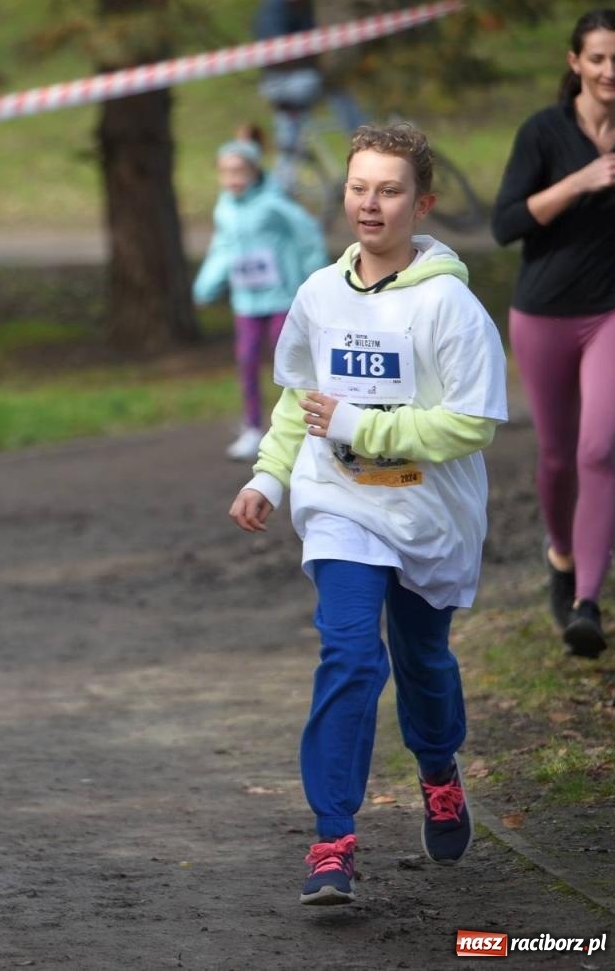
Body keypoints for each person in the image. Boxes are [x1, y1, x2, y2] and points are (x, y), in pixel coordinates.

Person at [229, 124, 507, 906]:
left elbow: (473, 422)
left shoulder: (450, 305)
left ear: (423, 202)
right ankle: (333, 838)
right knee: (351, 656)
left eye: (388, 190)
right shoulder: (319, 294)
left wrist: (363, 427)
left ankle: (439, 770)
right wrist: (271, 478)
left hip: (428, 512)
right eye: (358, 187)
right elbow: (297, 398)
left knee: (423, 663)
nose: (370, 204)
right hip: (341, 505)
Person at [492, 8, 615, 660]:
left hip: (612, 313)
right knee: (557, 456)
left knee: (600, 448)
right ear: (575, 62)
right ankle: (561, 555)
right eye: (597, 58)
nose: (609, 70)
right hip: (542, 311)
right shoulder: (543, 132)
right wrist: (582, 181)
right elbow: (505, 224)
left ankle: (587, 603)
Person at [192, 129, 327, 461]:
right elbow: (222, 248)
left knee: (292, 364)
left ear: (255, 171)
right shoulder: (224, 209)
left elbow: (307, 234)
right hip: (247, 302)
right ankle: (253, 428)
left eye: (240, 171)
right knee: (247, 361)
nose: (233, 179)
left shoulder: (273, 203)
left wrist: (318, 276)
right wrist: (206, 285)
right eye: (226, 172)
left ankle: (310, 427)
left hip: (282, 297)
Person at [252, 0, 361, 189]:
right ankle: (363, 141)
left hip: (298, 79)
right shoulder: (273, 9)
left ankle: (363, 141)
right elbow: (277, 53)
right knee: (319, 90)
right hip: (281, 82)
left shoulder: (303, 4)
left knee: (291, 139)